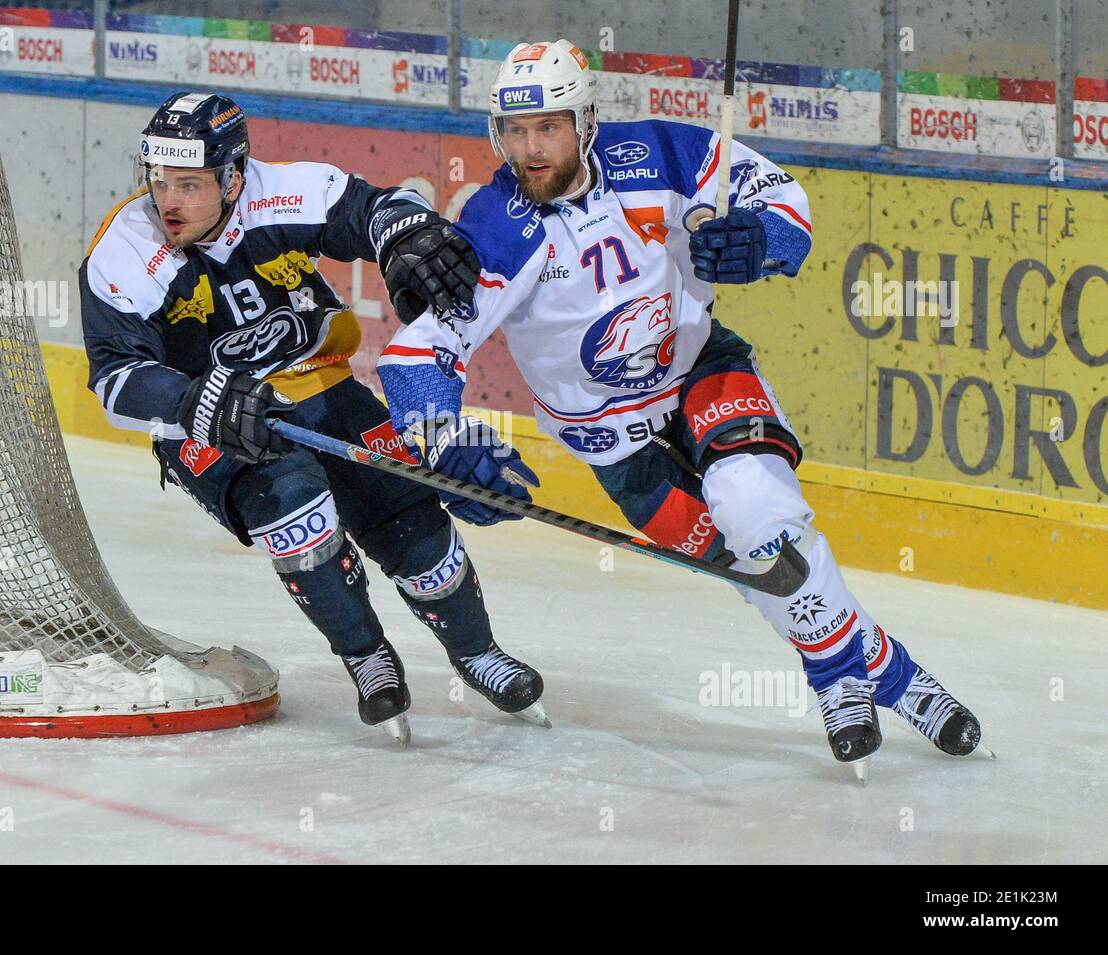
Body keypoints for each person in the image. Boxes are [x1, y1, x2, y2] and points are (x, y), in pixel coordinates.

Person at [376, 41, 984, 771]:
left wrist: (761, 236)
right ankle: (888, 669)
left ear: (587, 120)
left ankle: (833, 677)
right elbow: (416, 356)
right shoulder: (497, 225)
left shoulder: (661, 152)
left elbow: (782, 196)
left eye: (549, 127)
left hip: (702, 375)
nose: (530, 149)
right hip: (617, 450)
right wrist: (443, 439)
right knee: (759, 567)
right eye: (515, 130)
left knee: (755, 506)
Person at [79, 91, 547, 744]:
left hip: (316, 383)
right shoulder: (123, 251)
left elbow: (378, 208)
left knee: (408, 517)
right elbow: (114, 378)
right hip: (207, 421)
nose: (169, 201)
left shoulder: (286, 191)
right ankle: (365, 655)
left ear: (235, 175)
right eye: (159, 180)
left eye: (190, 182)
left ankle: (475, 650)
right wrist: (193, 402)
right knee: (293, 508)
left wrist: (409, 234)